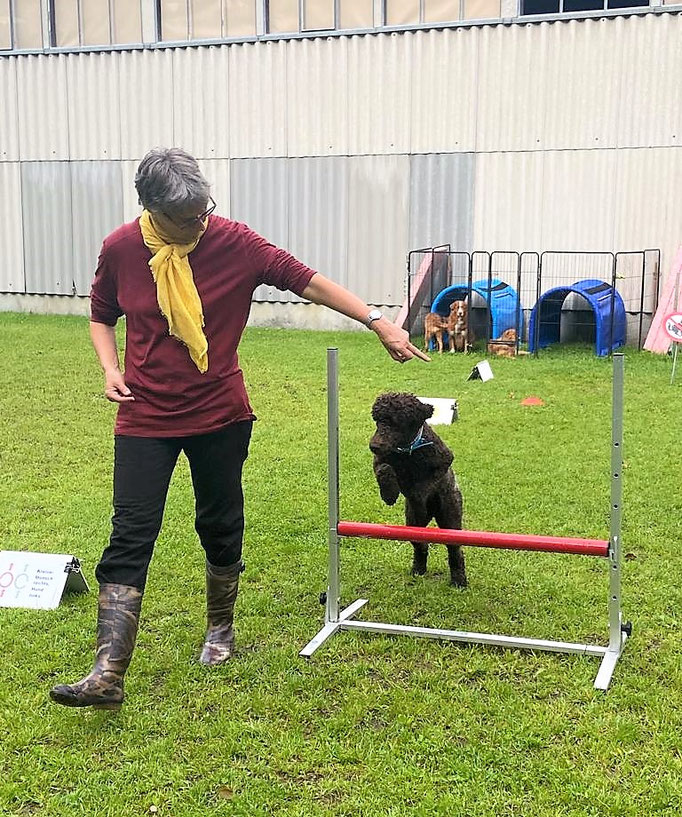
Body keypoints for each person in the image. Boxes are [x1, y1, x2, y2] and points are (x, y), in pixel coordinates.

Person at [49, 147, 428, 710]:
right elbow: (103, 314)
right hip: (144, 415)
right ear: (151, 210)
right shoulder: (122, 248)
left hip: (219, 413)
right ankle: (108, 670)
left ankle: (219, 627)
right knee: (131, 531)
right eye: (188, 217)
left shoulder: (235, 242)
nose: (201, 222)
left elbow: (309, 281)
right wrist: (109, 367)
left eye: (206, 209)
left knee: (219, 520)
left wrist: (376, 322)